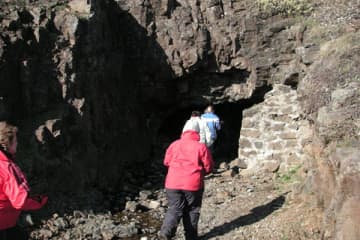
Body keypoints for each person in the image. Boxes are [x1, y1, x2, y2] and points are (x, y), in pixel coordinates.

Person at [159, 122, 214, 240]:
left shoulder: (174, 144)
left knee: (174, 208)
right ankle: (191, 237)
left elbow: (166, 162)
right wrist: (204, 172)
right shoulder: (201, 147)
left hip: (172, 183)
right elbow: (208, 166)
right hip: (193, 184)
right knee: (192, 209)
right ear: (197, 134)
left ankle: (166, 233)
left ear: (183, 133)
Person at [0, 121, 48, 240]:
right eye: (15, 141)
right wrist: (41, 200)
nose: (17, 144)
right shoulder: (7, 168)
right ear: (7, 144)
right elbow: (20, 201)